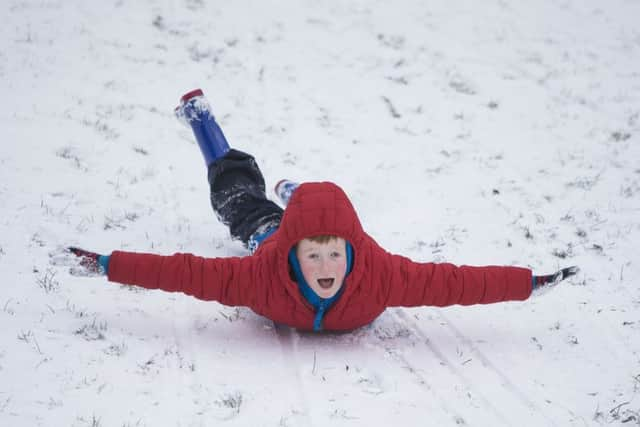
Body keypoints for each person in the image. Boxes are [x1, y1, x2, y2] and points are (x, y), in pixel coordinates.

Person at [62, 89, 579, 332]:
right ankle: (202, 119)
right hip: (271, 229)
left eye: (336, 253)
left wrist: (528, 281)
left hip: (306, 221)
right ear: (293, 251)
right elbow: (185, 273)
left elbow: (456, 283)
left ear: (352, 250)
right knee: (236, 195)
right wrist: (109, 264)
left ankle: (295, 190)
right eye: (314, 254)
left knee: (311, 206)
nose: (328, 267)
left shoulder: (383, 275)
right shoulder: (259, 276)